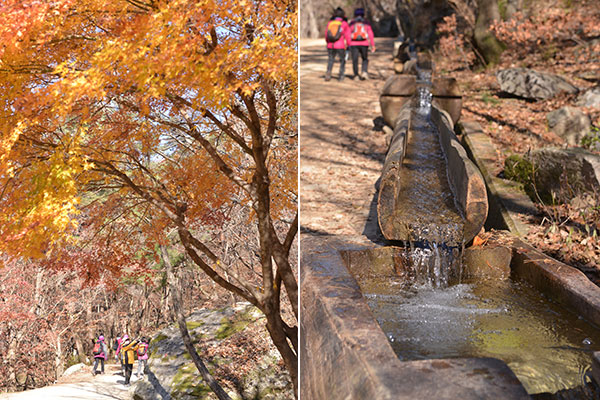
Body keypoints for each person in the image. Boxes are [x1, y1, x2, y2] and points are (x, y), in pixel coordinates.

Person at [324, 7, 351, 81]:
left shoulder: (330, 23)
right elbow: (348, 36)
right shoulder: (344, 24)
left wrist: (328, 43)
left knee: (330, 59)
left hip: (330, 45)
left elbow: (326, 34)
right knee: (342, 60)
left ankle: (328, 73)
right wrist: (349, 45)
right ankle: (341, 75)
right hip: (340, 45)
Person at [348, 8, 375, 80]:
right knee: (365, 59)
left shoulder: (352, 23)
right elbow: (370, 34)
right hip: (364, 44)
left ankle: (356, 75)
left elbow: (348, 34)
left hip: (353, 44)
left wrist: (348, 44)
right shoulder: (366, 23)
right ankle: (364, 72)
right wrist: (372, 45)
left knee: (355, 60)